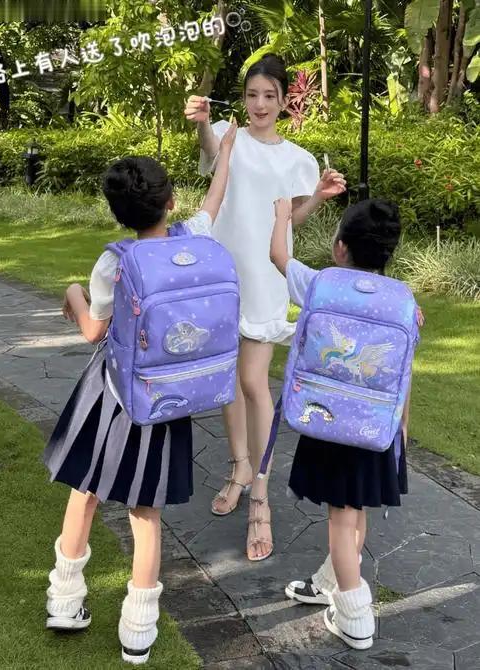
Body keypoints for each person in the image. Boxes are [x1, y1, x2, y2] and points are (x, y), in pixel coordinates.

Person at [42, 123, 237, 665]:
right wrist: (225, 150)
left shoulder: (114, 262)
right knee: (145, 512)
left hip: (112, 397)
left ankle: (64, 599)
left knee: (85, 491)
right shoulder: (195, 239)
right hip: (166, 400)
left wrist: (73, 293)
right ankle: (138, 629)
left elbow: (93, 331)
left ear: (117, 214)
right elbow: (216, 198)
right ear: (171, 202)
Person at [184, 53, 346, 561]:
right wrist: (204, 122)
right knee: (228, 378)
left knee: (254, 381)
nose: (259, 104)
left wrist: (318, 196)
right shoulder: (229, 136)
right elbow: (211, 153)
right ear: (244, 99)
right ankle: (238, 466)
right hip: (222, 271)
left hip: (266, 274)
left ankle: (260, 491)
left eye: (269, 96)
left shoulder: (297, 157)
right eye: (252, 95)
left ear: (283, 101)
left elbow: (289, 219)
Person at [270, 196, 414, 650]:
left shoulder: (321, 284)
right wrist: (402, 424)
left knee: (340, 517)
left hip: (328, 419)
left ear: (339, 247)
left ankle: (355, 615)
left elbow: (279, 256)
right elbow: (404, 369)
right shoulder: (402, 301)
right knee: (355, 509)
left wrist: (282, 217)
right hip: (375, 425)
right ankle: (330, 582)